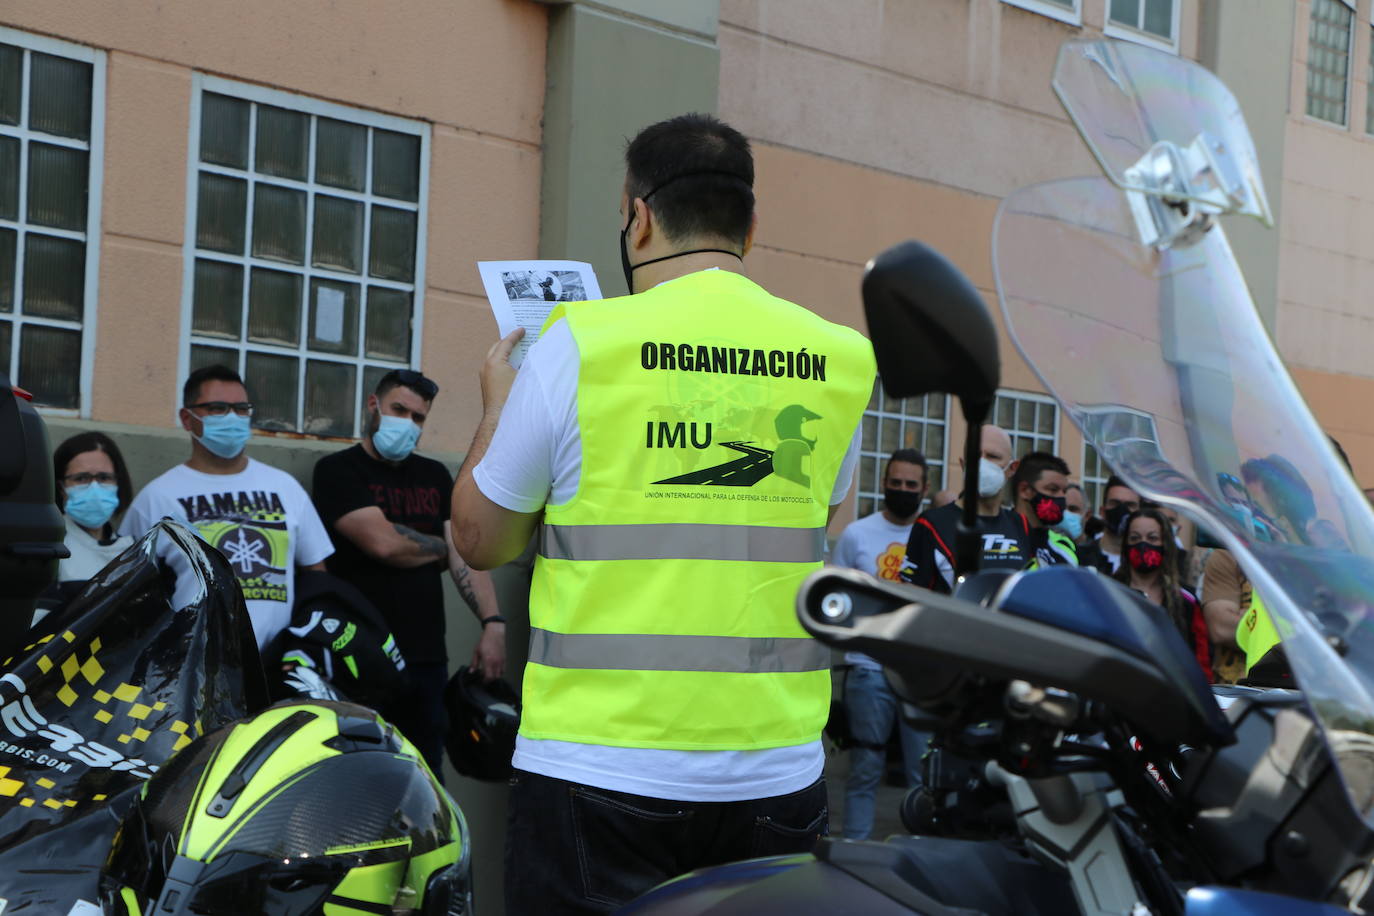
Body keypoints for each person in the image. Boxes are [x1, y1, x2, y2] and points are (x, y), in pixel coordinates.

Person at [451, 113, 876, 914]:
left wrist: (495, 411)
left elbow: (480, 536)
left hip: (598, 769)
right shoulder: (838, 356)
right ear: (750, 225)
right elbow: (820, 522)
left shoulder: (578, 343)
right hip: (776, 769)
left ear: (637, 216)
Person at [311, 368, 504, 775]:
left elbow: (465, 554)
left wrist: (493, 623)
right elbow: (384, 544)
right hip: (359, 657)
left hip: (426, 660)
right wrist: (442, 548)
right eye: (399, 409)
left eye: (418, 417)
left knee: (425, 777)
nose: (408, 424)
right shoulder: (338, 471)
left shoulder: (434, 476)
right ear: (373, 406)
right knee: (359, 778)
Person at [119, 365, 333, 650]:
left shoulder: (285, 487)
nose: (232, 417)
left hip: (275, 666)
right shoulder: (157, 497)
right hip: (193, 666)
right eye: (217, 408)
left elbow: (316, 573)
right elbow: (128, 589)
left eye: (241, 408)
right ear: (187, 418)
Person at [830, 448, 929, 840]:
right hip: (869, 668)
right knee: (865, 770)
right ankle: (854, 854)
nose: (902, 490)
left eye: (911, 485)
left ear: (925, 488)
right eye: (896, 483)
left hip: (922, 672)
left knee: (924, 775)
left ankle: (920, 856)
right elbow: (836, 599)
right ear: (884, 483)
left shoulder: (934, 533)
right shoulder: (857, 534)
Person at [901, 424, 1026, 592]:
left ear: (1012, 468)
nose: (982, 463)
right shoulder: (931, 524)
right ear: (963, 464)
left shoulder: (1021, 525)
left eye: (993, 456)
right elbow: (911, 595)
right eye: (975, 455)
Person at [1115, 508, 1211, 681]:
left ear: (1165, 543)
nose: (1143, 545)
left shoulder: (1186, 600)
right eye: (1135, 538)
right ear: (1125, 545)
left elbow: (1201, 663)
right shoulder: (1109, 591)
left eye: (1152, 538)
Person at [52, 432, 135, 583]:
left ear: (118, 482)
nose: (94, 489)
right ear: (61, 487)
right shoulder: (49, 550)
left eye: (104, 478)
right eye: (81, 478)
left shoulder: (133, 553)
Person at [1009, 451, 1077, 569]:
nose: (1062, 497)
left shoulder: (1064, 546)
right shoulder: (997, 536)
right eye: (1053, 489)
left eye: (1064, 491)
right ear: (1025, 490)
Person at [1076, 475, 1140, 574]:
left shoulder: (1146, 562)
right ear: (1102, 512)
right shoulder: (1078, 557)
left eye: (1129, 505)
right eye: (1115, 503)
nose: (1121, 510)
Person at [1060, 481, 1089, 546]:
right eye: (1061, 508)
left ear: (1087, 515)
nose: (1065, 514)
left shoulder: (1095, 554)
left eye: (1072, 509)